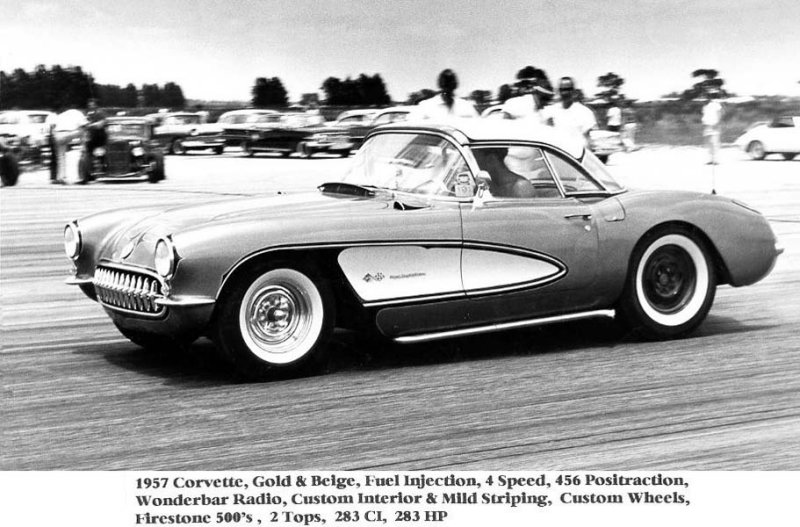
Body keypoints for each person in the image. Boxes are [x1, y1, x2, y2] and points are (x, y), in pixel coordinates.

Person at [543, 77, 597, 146]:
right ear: (558, 91)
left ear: (574, 91)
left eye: (568, 89)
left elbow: (588, 139)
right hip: (557, 152)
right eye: (562, 89)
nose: (565, 93)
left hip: (576, 154)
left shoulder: (585, 112)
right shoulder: (551, 111)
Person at [413, 69, 478, 120]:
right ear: (440, 84)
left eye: (450, 83)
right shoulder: (426, 106)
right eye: (445, 84)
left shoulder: (466, 106)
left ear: (455, 85)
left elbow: (476, 127)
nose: (448, 87)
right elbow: (413, 127)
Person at [702, 91, 723, 164]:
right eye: (706, 96)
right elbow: (705, 116)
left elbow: (719, 114)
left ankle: (715, 160)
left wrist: (718, 123)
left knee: (715, 143)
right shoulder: (705, 106)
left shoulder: (716, 104)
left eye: (708, 96)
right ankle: (710, 159)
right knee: (708, 143)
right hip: (707, 126)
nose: (706, 98)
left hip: (714, 125)